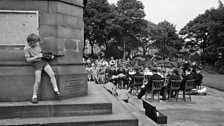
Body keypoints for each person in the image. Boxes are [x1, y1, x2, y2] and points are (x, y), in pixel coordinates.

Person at [24, 34, 61, 104]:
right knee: (38, 81)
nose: (38, 43)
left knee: (52, 74)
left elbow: (41, 53)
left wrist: (48, 56)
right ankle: (34, 96)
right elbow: (28, 60)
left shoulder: (37, 45)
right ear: (31, 42)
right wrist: (37, 56)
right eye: (36, 42)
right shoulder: (26, 48)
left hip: (43, 61)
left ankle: (56, 90)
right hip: (37, 64)